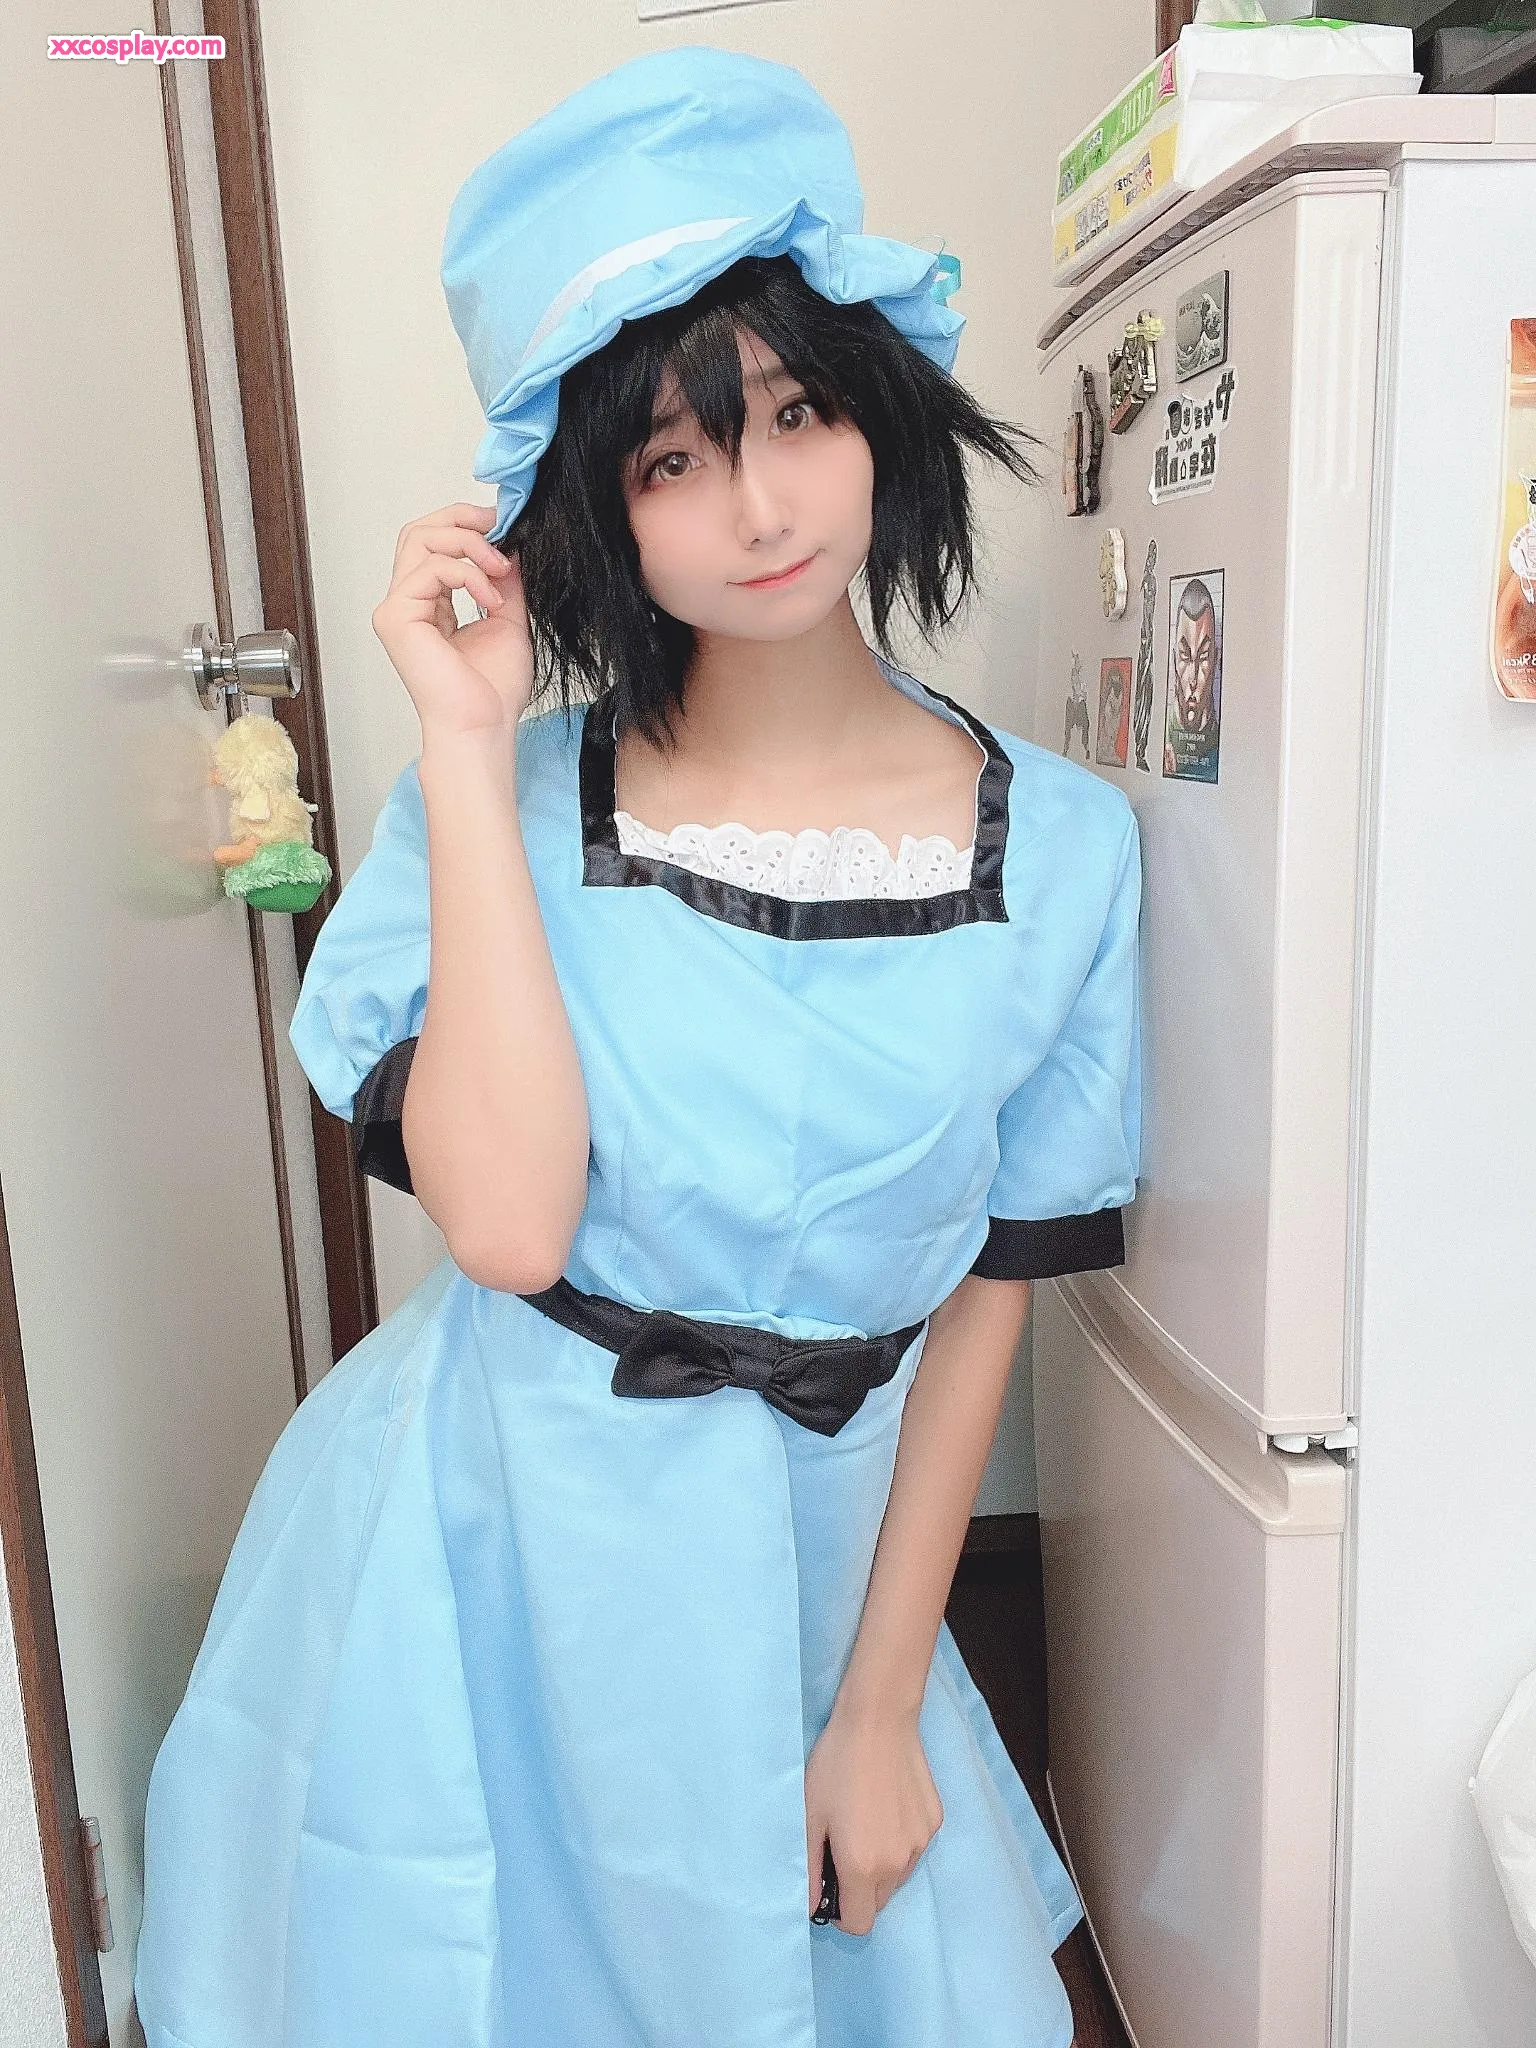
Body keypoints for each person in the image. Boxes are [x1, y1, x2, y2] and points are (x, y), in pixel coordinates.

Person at [134, 47, 1142, 2048]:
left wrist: (882, 1703)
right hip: (493, 1540)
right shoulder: (494, 810)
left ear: (881, 410)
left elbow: (994, 1291)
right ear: (590, 506)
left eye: (798, 416)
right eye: (673, 461)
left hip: (828, 1558)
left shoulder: (1073, 848)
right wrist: (460, 735)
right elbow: (511, 1232)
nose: (760, 507)